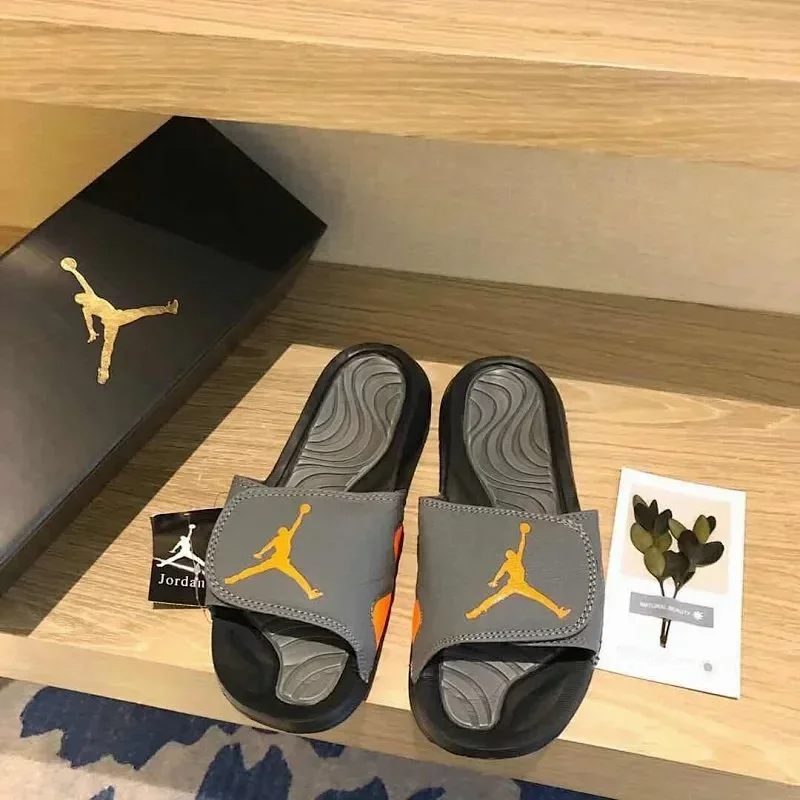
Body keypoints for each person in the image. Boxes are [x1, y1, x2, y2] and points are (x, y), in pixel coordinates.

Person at [61, 257, 178, 384]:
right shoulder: (87, 307)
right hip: (111, 321)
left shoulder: (91, 295)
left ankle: (168, 309)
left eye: (81, 295)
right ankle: (103, 372)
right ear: (82, 301)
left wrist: (73, 271)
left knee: (140, 313)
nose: (82, 296)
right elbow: (88, 321)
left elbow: (82, 281)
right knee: (109, 346)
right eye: (81, 298)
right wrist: (91, 331)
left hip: (117, 316)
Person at [466, 522, 571, 620]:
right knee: (538, 597)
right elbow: (501, 572)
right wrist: (494, 581)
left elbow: (521, 546)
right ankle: (475, 612)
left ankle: (558, 611)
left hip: (518, 585)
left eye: (512, 553)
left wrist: (523, 534)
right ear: (509, 556)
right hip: (515, 585)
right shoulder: (512, 561)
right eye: (510, 553)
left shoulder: (513, 561)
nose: (512, 553)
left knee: (496, 598)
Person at [224, 503, 323, 600]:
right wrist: (260, 553)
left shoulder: (286, 537)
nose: (285, 530)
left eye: (285, 530)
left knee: (295, 576)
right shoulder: (281, 538)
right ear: (280, 532)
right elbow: (268, 546)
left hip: (282, 561)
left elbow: (295, 525)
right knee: (295, 576)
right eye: (283, 530)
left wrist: (301, 514)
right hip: (278, 560)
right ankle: (233, 579)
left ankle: (310, 593)